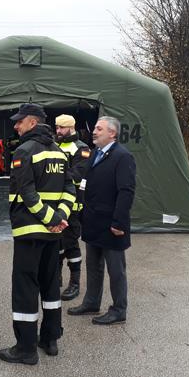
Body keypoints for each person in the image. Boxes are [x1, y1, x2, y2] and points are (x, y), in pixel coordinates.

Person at [0, 103, 76, 365]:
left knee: (25, 289)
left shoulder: (23, 151)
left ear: (32, 122)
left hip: (30, 233)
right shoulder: (59, 152)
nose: (16, 126)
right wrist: (60, 218)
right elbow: (70, 189)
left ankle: (25, 349)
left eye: (19, 122)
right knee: (50, 285)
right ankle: (50, 339)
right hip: (53, 235)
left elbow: (27, 192)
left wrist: (51, 219)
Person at [67, 116, 136, 325]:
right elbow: (85, 180)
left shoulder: (122, 157)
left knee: (116, 270)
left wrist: (118, 223)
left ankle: (118, 310)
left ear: (112, 133)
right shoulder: (96, 153)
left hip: (111, 224)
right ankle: (91, 302)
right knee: (93, 266)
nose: (94, 131)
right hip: (93, 221)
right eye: (95, 128)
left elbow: (126, 191)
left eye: (99, 128)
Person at [54, 114, 91, 301]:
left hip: (73, 205)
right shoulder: (54, 146)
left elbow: (78, 173)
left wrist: (52, 176)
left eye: (61, 127)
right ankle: (56, 277)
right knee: (56, 242)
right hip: (54, 203)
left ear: (71, 127)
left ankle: (74, 283)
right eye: (57, 127)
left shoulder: (82, 148)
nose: (58, 131)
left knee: (70, 243)